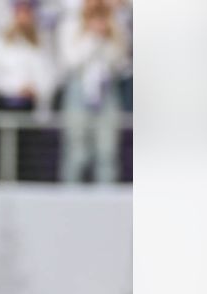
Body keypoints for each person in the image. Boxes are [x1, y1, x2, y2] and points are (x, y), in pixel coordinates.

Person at [58, 0, 128, 183]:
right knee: (76, 149)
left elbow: (120, 62)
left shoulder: (115, 24)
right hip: (78, 89)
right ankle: (70, 196)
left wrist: (106, 37)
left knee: (107, 150)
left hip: (107, 90)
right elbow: (70, 61)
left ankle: (106, 197)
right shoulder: (70, 24)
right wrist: (92, 38)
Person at [0, 0, 57, 112]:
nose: (23, 17)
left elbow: (52, 78)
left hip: (35, 110)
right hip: (4, 107)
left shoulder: (43, 43)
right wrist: (16, 89)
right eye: (19, 10)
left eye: (27, 10)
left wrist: (34, 90)